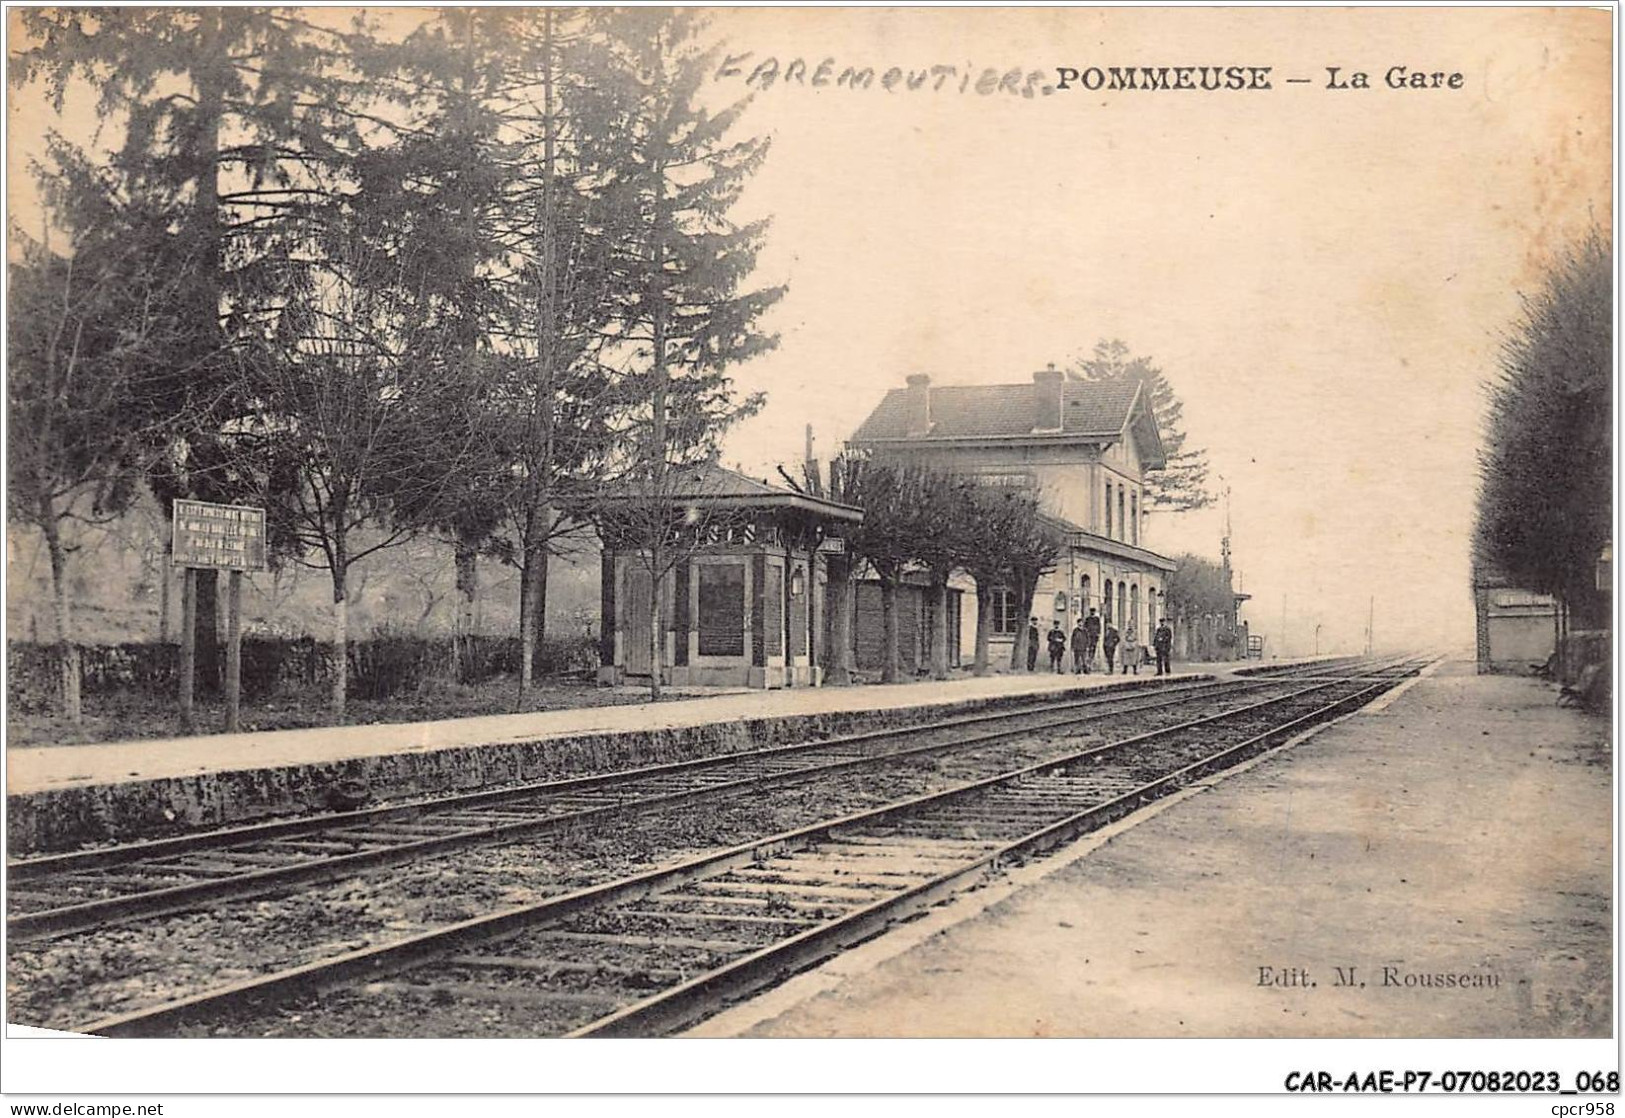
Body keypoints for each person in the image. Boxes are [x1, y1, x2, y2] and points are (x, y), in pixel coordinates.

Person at [1082, 608, 1101, 673]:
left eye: (1093, 612)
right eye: (1091, 612)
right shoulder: (1087, 619)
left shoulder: (1097, 619)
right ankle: (1087, 665)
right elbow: (1085, 628)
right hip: (1088, 638)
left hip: (1094, 638)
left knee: (1092, 651)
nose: (1092, 613)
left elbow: (1099, 628)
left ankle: (1090, 664)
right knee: (1087, 651)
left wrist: (1097, 635)